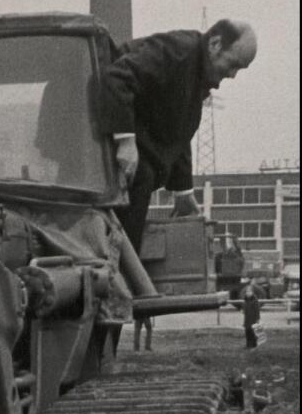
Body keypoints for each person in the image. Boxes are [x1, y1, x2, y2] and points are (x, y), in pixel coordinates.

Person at [102, 19, 257, 252]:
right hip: (99, 125)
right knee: (140, 175)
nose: (232, 75)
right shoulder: (176, 53)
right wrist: (124, 140)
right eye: (233, 64)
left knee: (143, 175)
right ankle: (121, 268)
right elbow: (117, 77)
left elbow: (178, 132)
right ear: (215, 44)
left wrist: (183, 191)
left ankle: (124, 262)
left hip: (130, 132)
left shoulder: (196, 73)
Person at [243, 281, 262, 350]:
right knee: (247, 332)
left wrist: (258, 319)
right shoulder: (245, 300)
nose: (248, 293)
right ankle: (248, 344)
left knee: (253, 332)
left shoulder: (255, 300)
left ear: (252, 293)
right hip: (247, 320)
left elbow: (257, 310)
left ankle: (254, 344)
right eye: (247, 292)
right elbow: (245, 308)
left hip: (253, 319)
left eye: (249, 292)